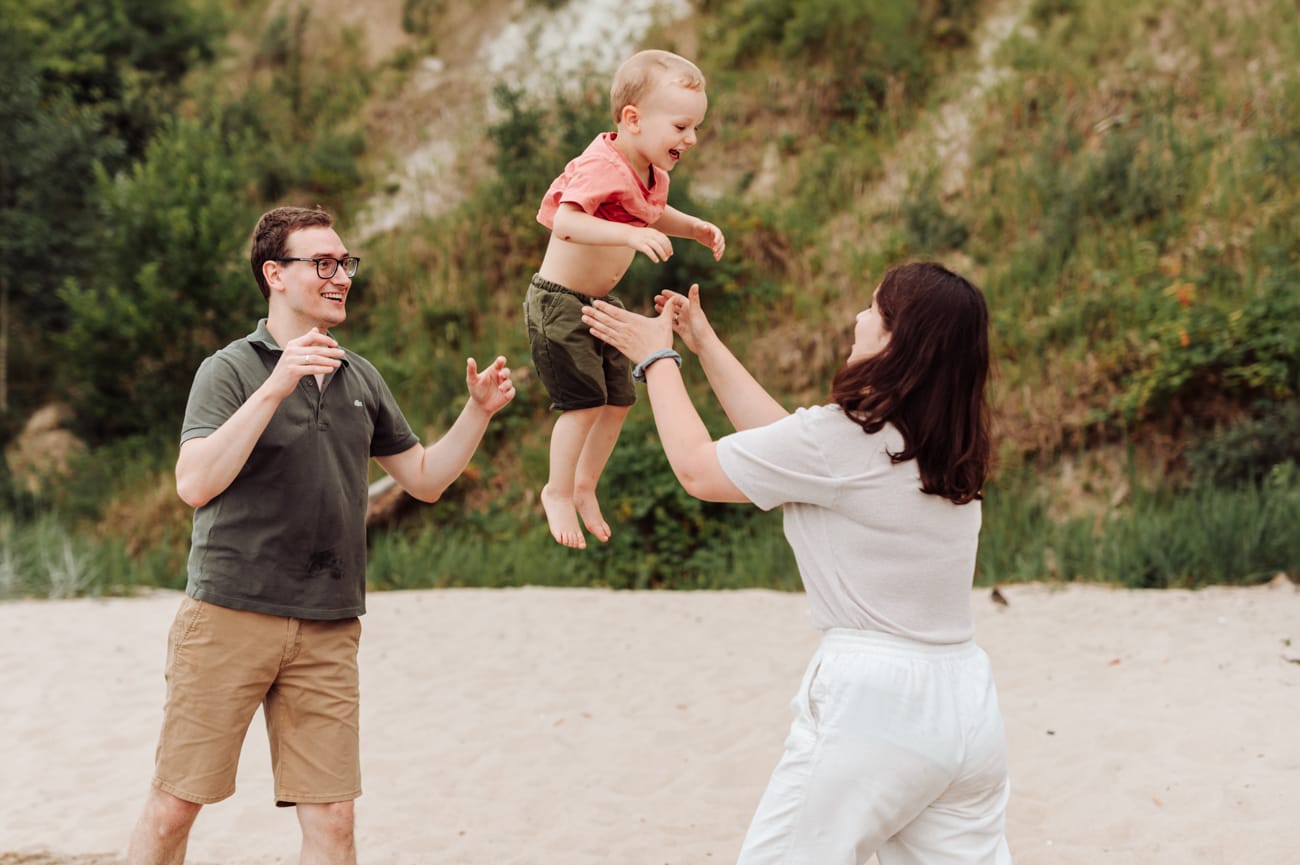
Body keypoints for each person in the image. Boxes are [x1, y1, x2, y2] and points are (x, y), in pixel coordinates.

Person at [582, 262, 1012, 865]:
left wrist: (657, 360)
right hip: (966, 701)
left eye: (873, 309)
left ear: (897, 339)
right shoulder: (947, 446)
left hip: (878, 703)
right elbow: (788, 451)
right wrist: (704, 345)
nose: (859, 319)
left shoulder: (846, 439)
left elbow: (696, 469)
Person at [125, 206, 516, 865]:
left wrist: (476, 414)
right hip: (228, 613)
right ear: (275, 274)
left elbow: (423, 478)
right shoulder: (229, 370)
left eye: (346, 264)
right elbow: (194, 483)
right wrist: (275, 387)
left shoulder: (360, 377)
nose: (341, 276)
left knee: (333, 821)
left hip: (330, 622)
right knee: (174, 809)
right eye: (323, 263)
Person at [526, 48, 726, 549]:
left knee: (619, 398)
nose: (692, 139)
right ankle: (556, 489)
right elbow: (564, 221)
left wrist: (694, 229)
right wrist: (627, 237)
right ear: (633, 120)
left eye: (695, 127)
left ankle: (585, 485)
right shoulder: (603, 165)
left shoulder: (652, 172)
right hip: (558, 301)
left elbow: (653, 213)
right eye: (681, 126)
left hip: (597, 302)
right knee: (584, 401)